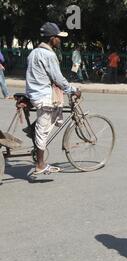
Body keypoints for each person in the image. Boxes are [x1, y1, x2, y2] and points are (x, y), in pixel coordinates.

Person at [25, 22, 81, 176]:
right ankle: (40, 164)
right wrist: (73, 90)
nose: (59, 40)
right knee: (42, 132)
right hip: (42, 95)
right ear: (51, 38)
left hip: (33, 93)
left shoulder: (33, 52)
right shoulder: (49, 55)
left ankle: (33, 130)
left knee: (55, 111)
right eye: (58, 37)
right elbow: (58, 78)